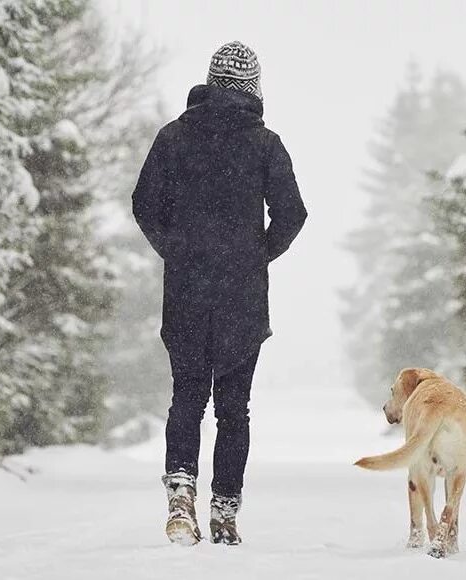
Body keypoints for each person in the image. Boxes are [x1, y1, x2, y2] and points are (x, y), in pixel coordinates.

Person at [132, 41, 307, 546]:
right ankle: (225, 513)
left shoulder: (174, 137)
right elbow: (293, 214)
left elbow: (145, 203)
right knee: (235, 408)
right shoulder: (265, 144)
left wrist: (177, 250)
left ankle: (180, 498)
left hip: (186, 291)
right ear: (252, 88)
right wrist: (256, 256)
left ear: (210, 82)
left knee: (186, 397)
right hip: (242, 297)